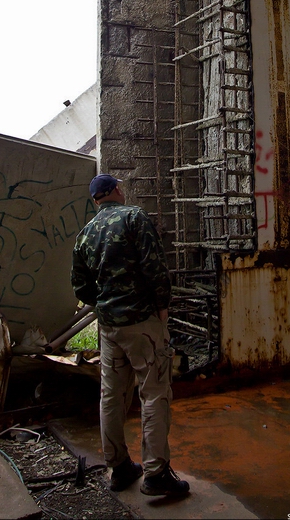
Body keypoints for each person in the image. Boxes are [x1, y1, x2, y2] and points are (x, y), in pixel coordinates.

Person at [71, 173, 190, 497]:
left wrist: (106, 306)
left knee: (111, 396)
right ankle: (156, 474)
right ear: (115, 192)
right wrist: (162, 306)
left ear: (96, 199)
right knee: (154, 394)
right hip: (142, 324)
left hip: (110, 328)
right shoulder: (134, 217)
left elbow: (80, 286)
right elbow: (155, 267)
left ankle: (119, 467)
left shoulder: (84, 235)